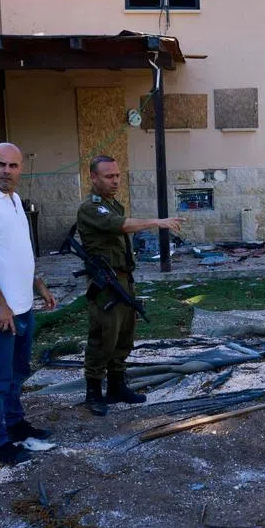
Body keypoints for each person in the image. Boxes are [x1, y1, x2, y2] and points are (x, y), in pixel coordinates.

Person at [0, 143, 57, 465]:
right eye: (1, 165)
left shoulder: (16, 200)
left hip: (23, 305)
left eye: (13, 166)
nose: (7, 171)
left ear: (21, 169)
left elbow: (18, 250)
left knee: (18, 371)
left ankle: (15, 425)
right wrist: (0, 304)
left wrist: (38, 283)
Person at [76, 155, 184, 415]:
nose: (115, 181)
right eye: (108, 176)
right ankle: (93, 392)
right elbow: (121, 226)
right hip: (105, 282)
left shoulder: (113, 205)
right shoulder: (91, 208)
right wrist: (158, 222)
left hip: (122, 278)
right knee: (104, 335)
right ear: (93, 177)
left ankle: (116, 386)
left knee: (124, 334)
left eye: (117, 176)